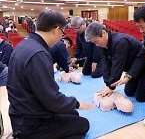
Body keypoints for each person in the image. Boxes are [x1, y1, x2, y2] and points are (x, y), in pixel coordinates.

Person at [6, 10, 93, 139]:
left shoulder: (24, 44)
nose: (61, 37)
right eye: (62, 32)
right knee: (83, 124)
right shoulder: (39, 54)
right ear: (56, 29)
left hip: (23, 111)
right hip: (32, 123)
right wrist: (78, 103)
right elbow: (51, 100)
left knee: (73, 114)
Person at [85, 21, 145, 102]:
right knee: (129, 92)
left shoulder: (120, 41)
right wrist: (107, 84)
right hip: (131, 70)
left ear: (103, 33)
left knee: (141, 97)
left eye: (96, 41)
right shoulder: (103, 44)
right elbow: (106, 64)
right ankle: (141, 82)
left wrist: (111, 87)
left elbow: (117, 66)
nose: (97, 45)